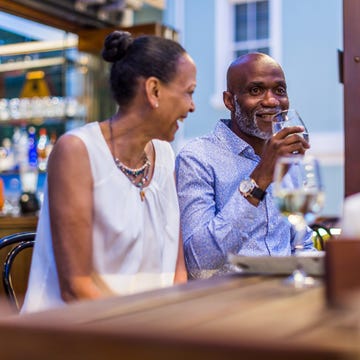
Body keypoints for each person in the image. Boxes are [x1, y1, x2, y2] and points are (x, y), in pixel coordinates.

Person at [21, 30, 196, 313]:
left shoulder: (164, 155)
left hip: (149, 330)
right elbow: (75, 290)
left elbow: (177, 274)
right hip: (74, 333)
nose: (192, 106)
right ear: (154, 91)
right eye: (188, 91)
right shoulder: (77, 151)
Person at [175, 52, 315, 279]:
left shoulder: (288, 157)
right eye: (255, 90)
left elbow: (301, 243)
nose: (272, 101)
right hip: (228, 303)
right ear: (230, 100)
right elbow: (199, 263)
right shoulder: (197, 158)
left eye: (280, 90)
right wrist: (260, 177)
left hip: (285, 296)